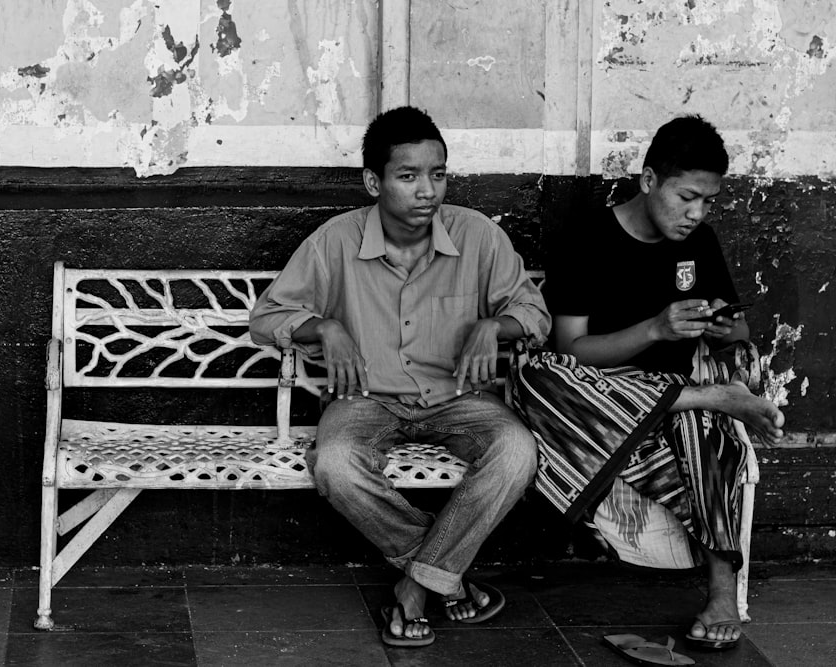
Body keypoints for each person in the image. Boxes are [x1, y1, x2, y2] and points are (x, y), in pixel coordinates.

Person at [249, 106, 550, 647]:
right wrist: (324, 326)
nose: (427, 191)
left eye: (437, 174)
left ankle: (415, 587)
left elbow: (535, 315)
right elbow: (266, 318)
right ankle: (442, 576)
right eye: (408, 176)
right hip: (365, 399)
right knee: (336, 465)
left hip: (458, 398)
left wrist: (494, 325)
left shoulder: (478, 237)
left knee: (516, 452)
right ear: (374, 182)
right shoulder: (333, 242)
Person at [514, 115, 785, 651]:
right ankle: (706, 399)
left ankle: (722, 592)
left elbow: (738, 334)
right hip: (595, 395)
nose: (696, 213)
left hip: (670, 395)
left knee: (705, 426)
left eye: (707, 201)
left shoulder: (699, 243)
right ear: (647, 181)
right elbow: (570, 350)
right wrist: (656, 327)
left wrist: (727, 327)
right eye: (686, 197)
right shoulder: (588, 238)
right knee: (533, 375)